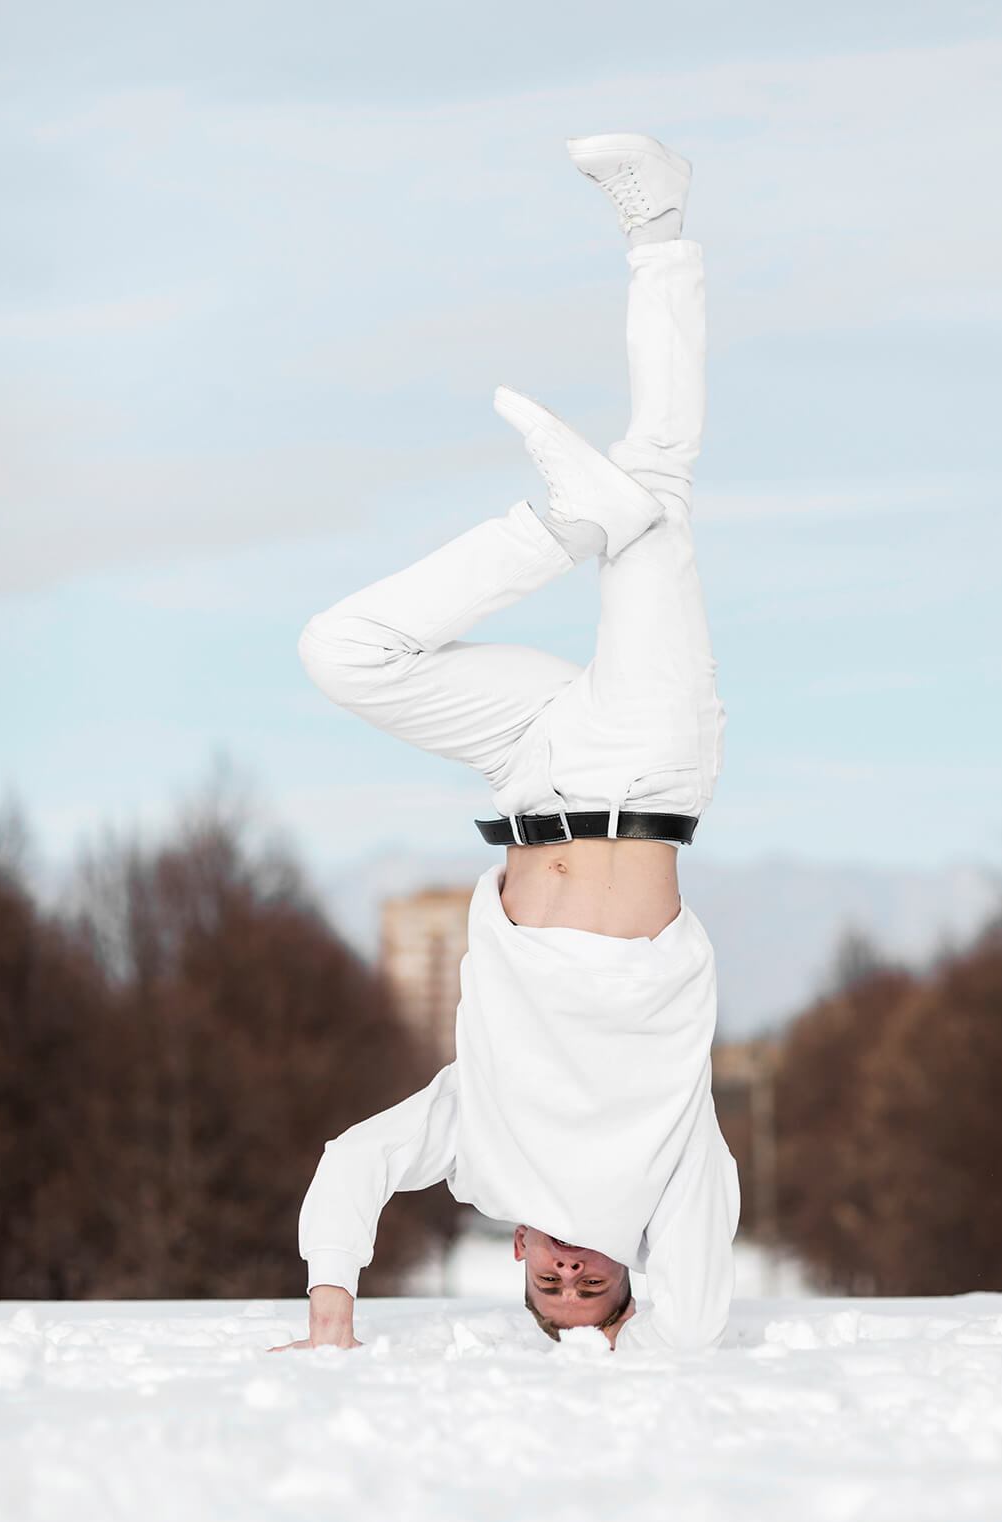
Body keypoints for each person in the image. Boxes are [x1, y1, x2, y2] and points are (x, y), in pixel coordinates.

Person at [271, 133, 739, 1354]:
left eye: (555, 1292)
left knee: (344, 650)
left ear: (522, 1261)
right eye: (600, 1291)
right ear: (626, 1272)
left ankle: (559, 522)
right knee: (666, 492)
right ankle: (660, 229)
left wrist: (332, 1309)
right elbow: (692, 1323)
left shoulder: (476, 1140)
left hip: (527, 770)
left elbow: (352, 1162)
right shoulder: (672, 1167)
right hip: (644, 769)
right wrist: (645, 1342)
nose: (578, 1281)